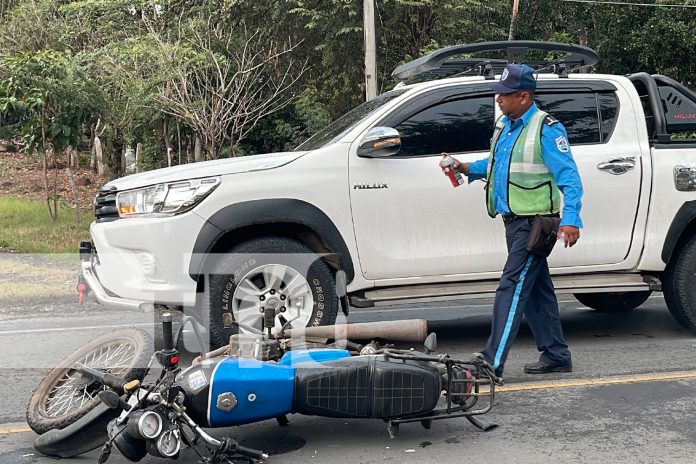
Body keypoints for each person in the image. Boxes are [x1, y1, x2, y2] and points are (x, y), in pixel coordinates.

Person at [443, 63, 583, 377]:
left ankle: (492, 362)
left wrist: (571, 219)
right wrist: (466, 167)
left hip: (537, 225)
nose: (498, 100)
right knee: (535, 290)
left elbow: (570, 178)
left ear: (523, 96)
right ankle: (556, 354)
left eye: (505, 95)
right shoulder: (505, 126)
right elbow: (495, 165)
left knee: (512, 287)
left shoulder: (546, 128)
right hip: (513, 222)